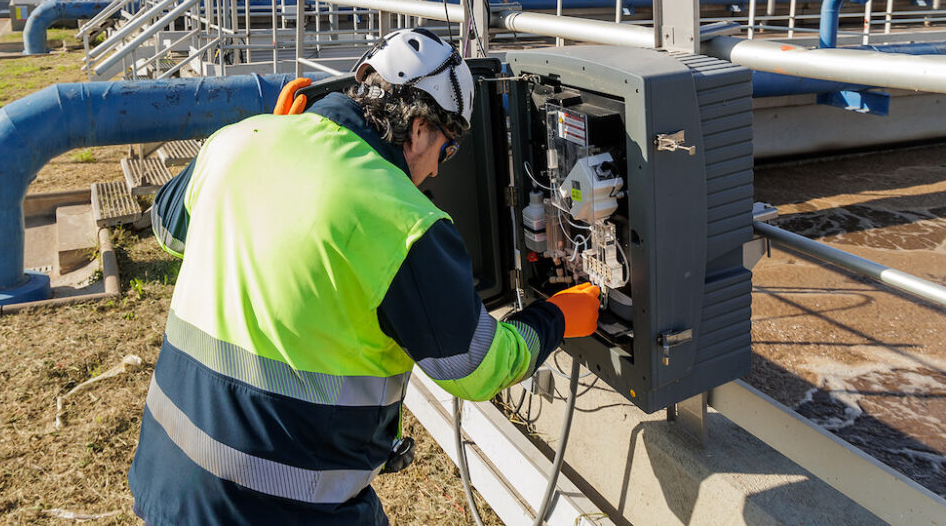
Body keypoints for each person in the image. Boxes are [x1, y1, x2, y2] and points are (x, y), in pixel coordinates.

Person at [128, 28, 600, 525]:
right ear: (418, 128)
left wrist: (269, 134)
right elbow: (477, 367)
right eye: (448, 149)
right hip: (278, 506)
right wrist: (558, 318)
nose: (439, 171)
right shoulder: (402, 220)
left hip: (168, 477)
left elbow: (168, 228)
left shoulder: (237, 141)